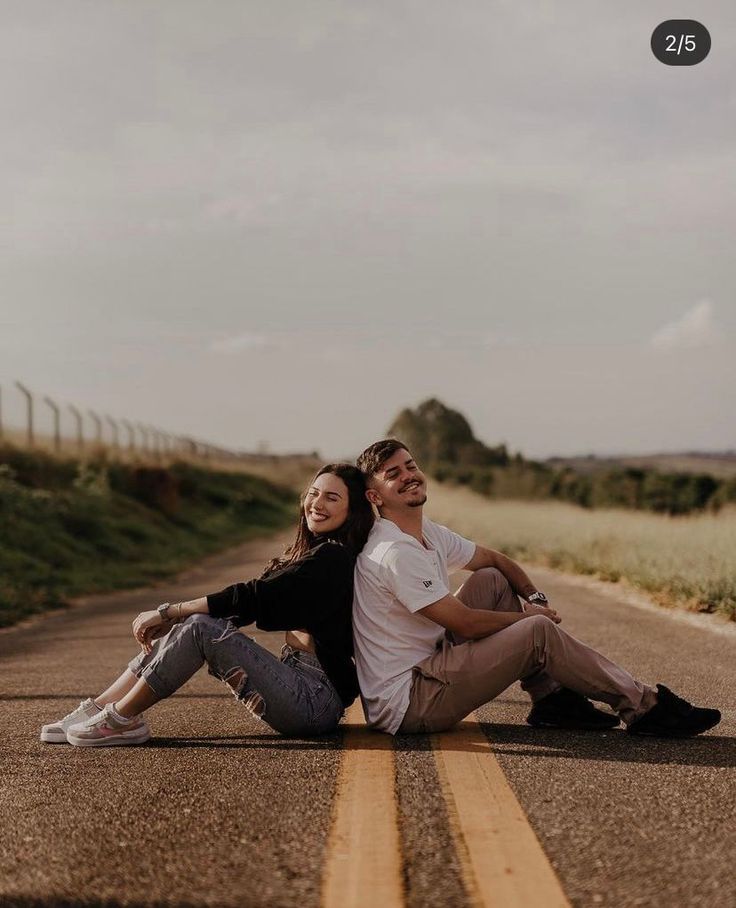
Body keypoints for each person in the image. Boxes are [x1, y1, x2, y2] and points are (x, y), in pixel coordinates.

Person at [352, 438, 721, 738]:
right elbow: (464, 624)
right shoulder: (394, 551)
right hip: (411, 702)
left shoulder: (424, 530)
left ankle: (552, 701)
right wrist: (528, 617)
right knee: (536, 632)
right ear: (375, 497)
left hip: (431, 664)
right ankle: (644, 707)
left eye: (411, 465)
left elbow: (497, 561)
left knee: (492, 581)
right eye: (393, 474)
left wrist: (533, 596)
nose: (409, 476)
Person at [40, 463, 374, 747]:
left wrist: (173, 610)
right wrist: (178, 617)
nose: (317, 503)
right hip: (298, 683)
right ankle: (101, 706)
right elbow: (249, 603)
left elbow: (255, 596)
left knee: (200, 624)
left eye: (332, 498)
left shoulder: (335, 557)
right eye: (314, 493)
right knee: (197, 620)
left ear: (351, 510)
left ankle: (123, 718)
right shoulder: (316, 554)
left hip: (314, 700)